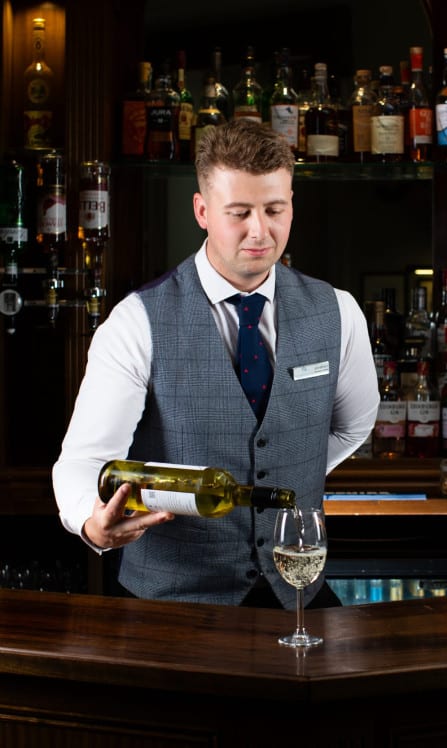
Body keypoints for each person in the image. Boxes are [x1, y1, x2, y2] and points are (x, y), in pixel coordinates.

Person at [52, 118, 379, 609]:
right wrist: (92, 523)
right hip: (172, 605)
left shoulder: (338, 311)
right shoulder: (136, 321)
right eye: (239, 212)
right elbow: (83, 461)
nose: (260, 230)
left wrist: (285, 467)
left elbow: (353, 426)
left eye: (274, 209)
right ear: (202, 211)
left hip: (296, 592)